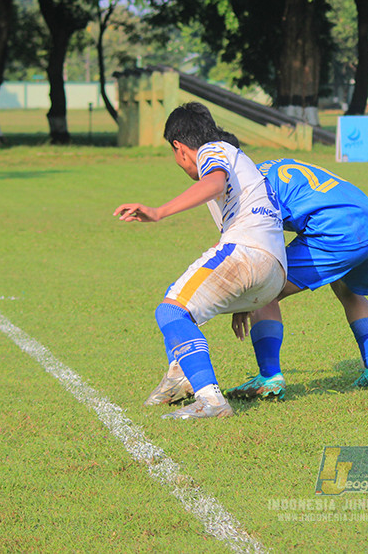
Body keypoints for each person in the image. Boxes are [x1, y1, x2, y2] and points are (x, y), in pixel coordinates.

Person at [113, 102, 286, 419]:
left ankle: (211, 400)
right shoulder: (239, 159)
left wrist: (158, 211)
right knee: (176, 295)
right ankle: (179, 377)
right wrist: (245, 298)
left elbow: (214, 182)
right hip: (273, 272)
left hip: (247, 252)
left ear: (179, 147)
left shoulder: (210, 150)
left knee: (170, 311)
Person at [226, 157, 368, 401]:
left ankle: (269, 376)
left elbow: (257, 242)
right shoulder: (276, 164)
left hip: (336, 232)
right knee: (347, 289)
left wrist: (248, 295)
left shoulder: (251, 184)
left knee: (265, 288)